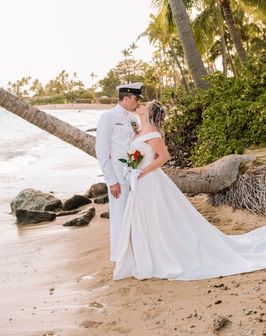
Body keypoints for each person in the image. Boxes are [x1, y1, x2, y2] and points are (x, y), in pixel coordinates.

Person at [113, 100, 266, 281]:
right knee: (144, 216)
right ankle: (145, 255)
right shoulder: (138, 130)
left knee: (156, 215)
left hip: (149, 179)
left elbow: (164, 157)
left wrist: (142, 171)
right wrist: (131, 169)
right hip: (139, 181)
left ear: (149, 112)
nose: (140, 104)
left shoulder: (153, 132)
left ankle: (161, 255)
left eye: (144, 104)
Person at [96, 82, 144, 262]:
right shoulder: (108, 117)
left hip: (135, 173)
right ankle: (119, 256)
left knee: (133, 215)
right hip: (118, 176)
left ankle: (134, 252)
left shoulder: (134, 119)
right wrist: (111, 180)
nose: (138, 102)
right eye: (136, 98)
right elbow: (101, 151)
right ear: (126, 98)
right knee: (118, 217)